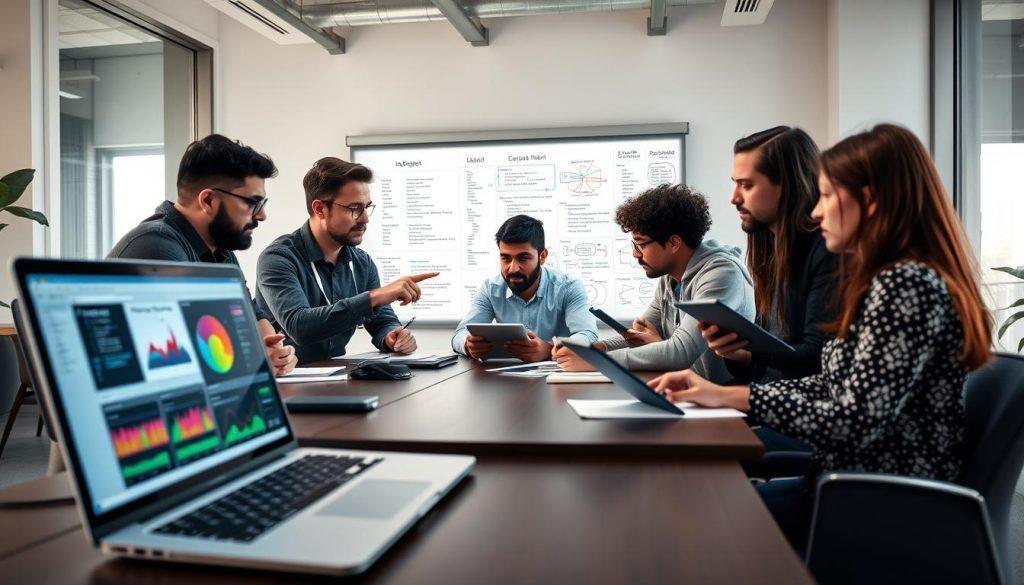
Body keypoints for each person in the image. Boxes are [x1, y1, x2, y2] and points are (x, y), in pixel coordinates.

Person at [648, 124, 992, 548]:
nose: (815, 212)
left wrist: (732, 397)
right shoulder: (889, 280)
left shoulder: (904, 285)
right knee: (692, 508)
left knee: (689, 522)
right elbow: (835, 383)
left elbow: (857, 418)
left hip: (876, 502)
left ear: (868, 201)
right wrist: (714, 392)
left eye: (827, 197)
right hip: (846, 486)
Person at [108, 134, 297, 376]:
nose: (262, 215)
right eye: (253, 203)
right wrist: (255, 356)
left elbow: (251, 313)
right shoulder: (156, 247)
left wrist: (276, 353)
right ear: (208, 200)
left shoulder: (219, 249)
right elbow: (189, 347)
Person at [552, 184, 754, 383]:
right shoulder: (670, 277)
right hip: (689, 393)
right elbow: (636, 337)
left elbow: (680, 351)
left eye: (641, 244)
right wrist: (596, 349)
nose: (634, 254)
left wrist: (598, 361)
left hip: (726, 403)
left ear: (674, 243)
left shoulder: (721, 274)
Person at [256, 157, 436, 365]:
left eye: (367, 207)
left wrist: (392, 336)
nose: (365, 219)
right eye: (355, 208)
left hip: (336, 378)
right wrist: (374, 297)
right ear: (320, 209)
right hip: (288, 381)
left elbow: (382, 320)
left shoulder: (361, 263)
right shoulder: (278, 258)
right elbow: (299, 326)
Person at [451, 215, 598, 362]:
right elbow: (459, 334)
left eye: (523, 258)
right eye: (506, 258)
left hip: (558, 377)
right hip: (505, 378)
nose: (513, 268)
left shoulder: (568, 287)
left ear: (542, 256)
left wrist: (548, 350)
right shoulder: (491, 289)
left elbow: (588, 335)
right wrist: (468, 344)